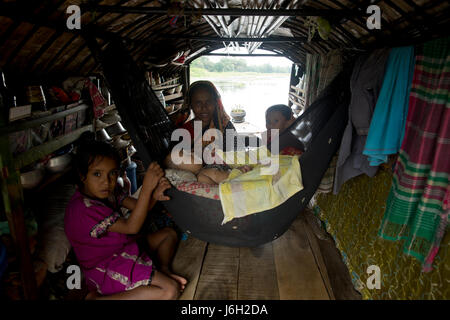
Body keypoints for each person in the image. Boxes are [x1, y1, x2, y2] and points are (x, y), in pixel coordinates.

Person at [65, 137, 187, 300]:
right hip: (105, 265)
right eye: (97, 174)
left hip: (124, 248)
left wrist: (154, 196)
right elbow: (132, 227)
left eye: (112, 173)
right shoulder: (83, 209)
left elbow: (139, 208)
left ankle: (163, 270)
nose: (106, 182)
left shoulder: (110, 191)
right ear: (82, 176)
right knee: (170, 291)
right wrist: (147, 187)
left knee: (168, 234)